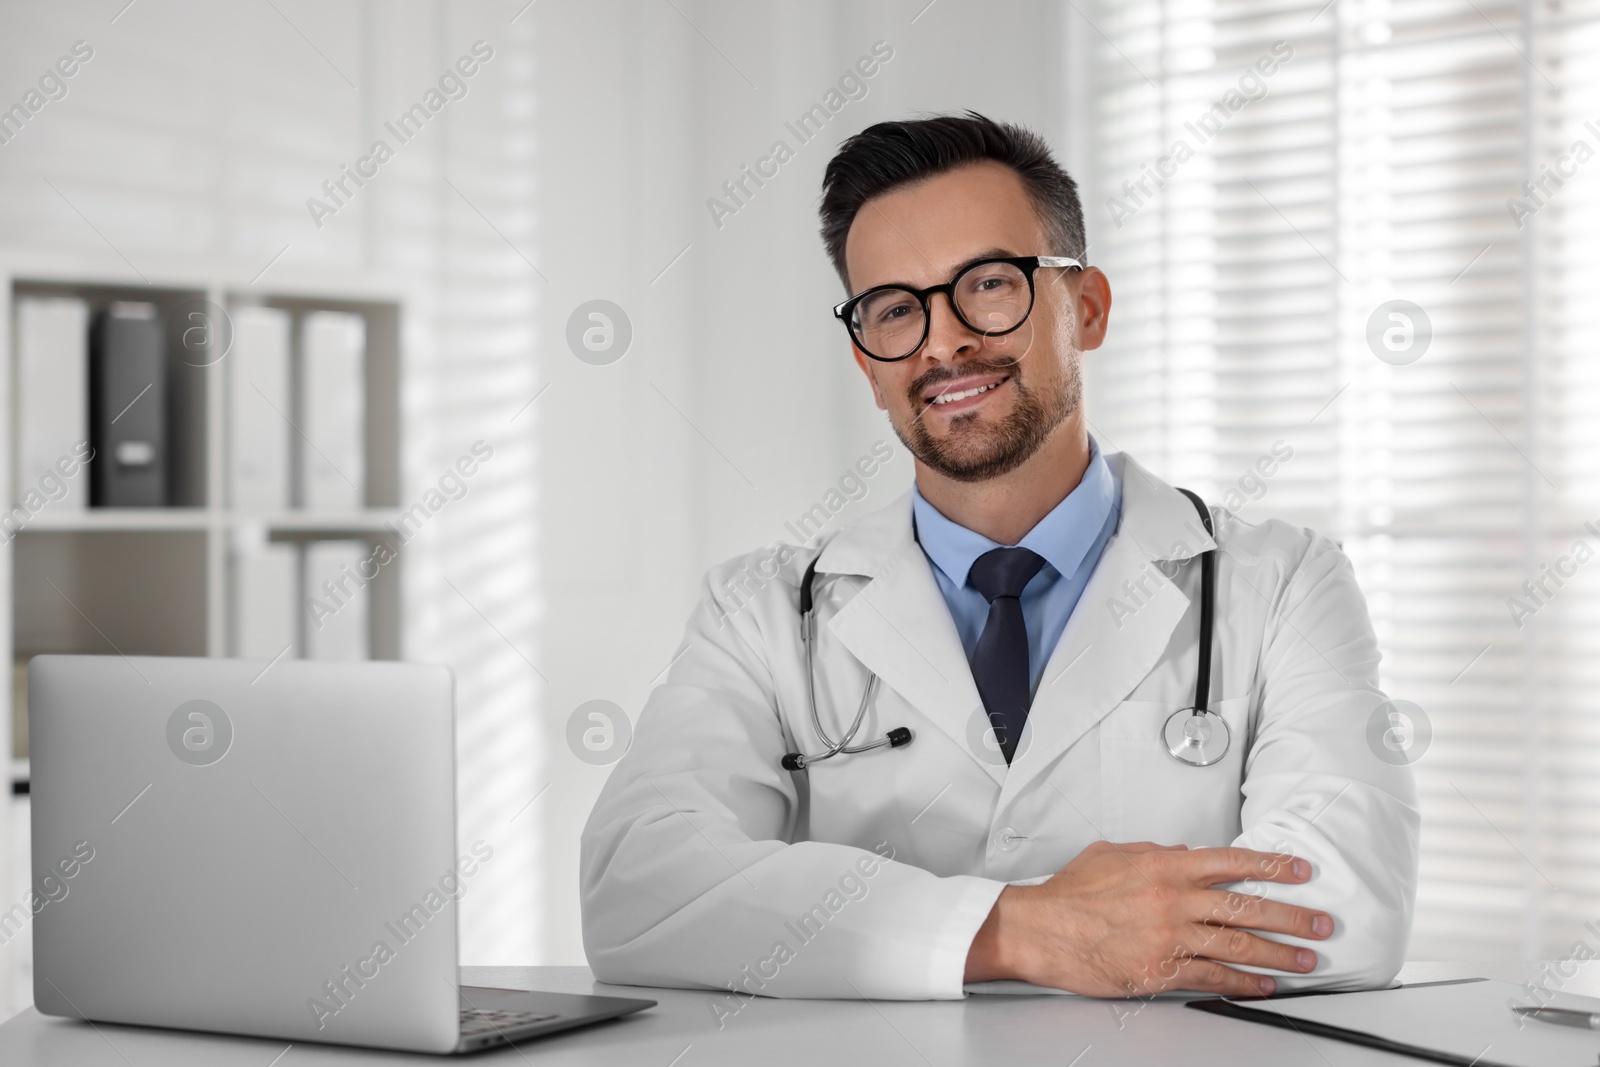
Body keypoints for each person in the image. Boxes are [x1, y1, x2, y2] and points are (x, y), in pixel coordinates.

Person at [580, 111, 1419, 1003]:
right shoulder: (761, 610)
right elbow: (640, 888)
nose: (943, 342)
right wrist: (1019, 928)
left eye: (987, 283)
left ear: (1086, 307)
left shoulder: (1280, 582)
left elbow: (1344, 907)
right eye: (896, 308)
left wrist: (867, 926)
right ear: (868, 363)